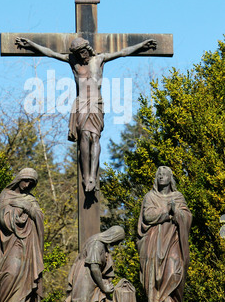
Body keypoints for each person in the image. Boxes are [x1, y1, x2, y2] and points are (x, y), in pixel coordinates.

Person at [16, 36, 156, 192]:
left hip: (97, 103)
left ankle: (92, 176)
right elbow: (50, 53)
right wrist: (31, 44)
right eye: (78, 53)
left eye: (82, 51)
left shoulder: (100, 59)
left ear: (88, 49)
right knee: (84, 136)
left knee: (95, 137)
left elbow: (123, 52)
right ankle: (85, 176)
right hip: (82, 103)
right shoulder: (73, 62)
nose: (81, 55)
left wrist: (142, 45)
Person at [137, 166, 193, 302]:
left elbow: (187, 216)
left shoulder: (178, 196)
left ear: (170, 178)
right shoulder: (150, 196)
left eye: (165, 174)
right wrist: (167, 212)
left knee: (175, 269)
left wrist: (177, 212)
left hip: (173, 239)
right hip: (154, 241)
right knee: (156, 274)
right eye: (159, 174)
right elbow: (148, 216)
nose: (161, 177)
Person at [43, 226, 125, 302]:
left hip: (92, 276)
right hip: (86, 275)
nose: (116, 244)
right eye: (117, 241)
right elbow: (94, 267)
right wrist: (103, 287)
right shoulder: (97, 243)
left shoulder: (101, 244)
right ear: (114, 237)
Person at [0, 168, 44, 302]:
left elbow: (39, 217)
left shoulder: (31, 199)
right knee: (10, 272)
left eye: (32, 183)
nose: (28, 185)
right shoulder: (6, 195)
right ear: (19, 179)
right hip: (11, 242)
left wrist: (30, 210)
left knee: (27, 275)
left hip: (29, 244)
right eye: (26, 180)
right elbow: (4, 219)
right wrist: (20, 211)